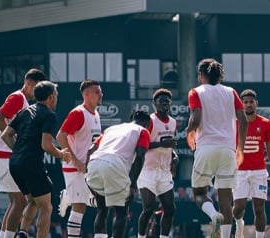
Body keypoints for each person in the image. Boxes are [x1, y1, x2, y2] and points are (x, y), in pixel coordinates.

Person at [186, 58, 248, 238]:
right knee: (226, 201)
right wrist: (240, 148)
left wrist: (189, 131)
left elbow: (196, 119)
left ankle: (213, 216)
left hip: (206, 147)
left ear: (200, 75)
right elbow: (243, 120)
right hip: (228, 150)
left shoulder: (196, 92)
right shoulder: (231, 92)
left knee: (199, 192)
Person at [1, 80, 71, 238]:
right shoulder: (49, 115)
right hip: (31, 164)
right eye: (56, 95)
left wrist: (19, 151)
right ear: (51, 96)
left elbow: (6, 135)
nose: (57, 98)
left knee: (33, 200)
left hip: (15, 163)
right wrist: (62, 154)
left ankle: (23, 233)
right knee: (46, 207)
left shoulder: (25, 111)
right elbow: (46, 145)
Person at [0, 68, 47, 238]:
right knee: (21, 200)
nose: (38, 91)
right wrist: (15, 143)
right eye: (37, 86)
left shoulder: (24, 102)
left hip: (4, 153)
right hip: (4, 153)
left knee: (16, 201)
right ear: (28, 83)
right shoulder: (17, 98)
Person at [86, 110, 152, 238]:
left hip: (94, 163)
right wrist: (132, 185)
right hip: (115, 166)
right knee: (121, 212)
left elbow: (90, 151)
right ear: (147, 124)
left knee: (102, 210)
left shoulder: (112, 129)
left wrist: (86, 174)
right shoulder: (143, 131)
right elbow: (140, 157)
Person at [57, 79, 103, 238]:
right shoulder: (78, 113)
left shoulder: (96, 113)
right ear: (87, 94)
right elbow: (60, 136)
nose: (101, 94)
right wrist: (75, 160)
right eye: (97, 92)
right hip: (74, 168)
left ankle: (68, 195)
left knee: (96, 203)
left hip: (89, 168)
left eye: (100, 91)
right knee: (79, 207)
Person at [232, 89, 270, 238]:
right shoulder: (234, 124)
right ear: (241, 105)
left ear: (256, 103)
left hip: (259, 172)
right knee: (238, 208)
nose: (248, 105)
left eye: (251, 102)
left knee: (259, 209)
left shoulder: (265, 123)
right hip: (239, 172)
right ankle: (239, 222)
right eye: (245, 102)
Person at [137, 89, 179, 238]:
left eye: (167, 102)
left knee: (169, 209)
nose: (164, 105)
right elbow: (140, 146)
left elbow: (170, 146)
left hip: (164, 171)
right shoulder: (150, 121)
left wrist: (174, 155)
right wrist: (163, 144)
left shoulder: (173, 122)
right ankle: (140, 236)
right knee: (148, 209)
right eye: (161, 102)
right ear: (154, 104)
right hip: (148, 170)